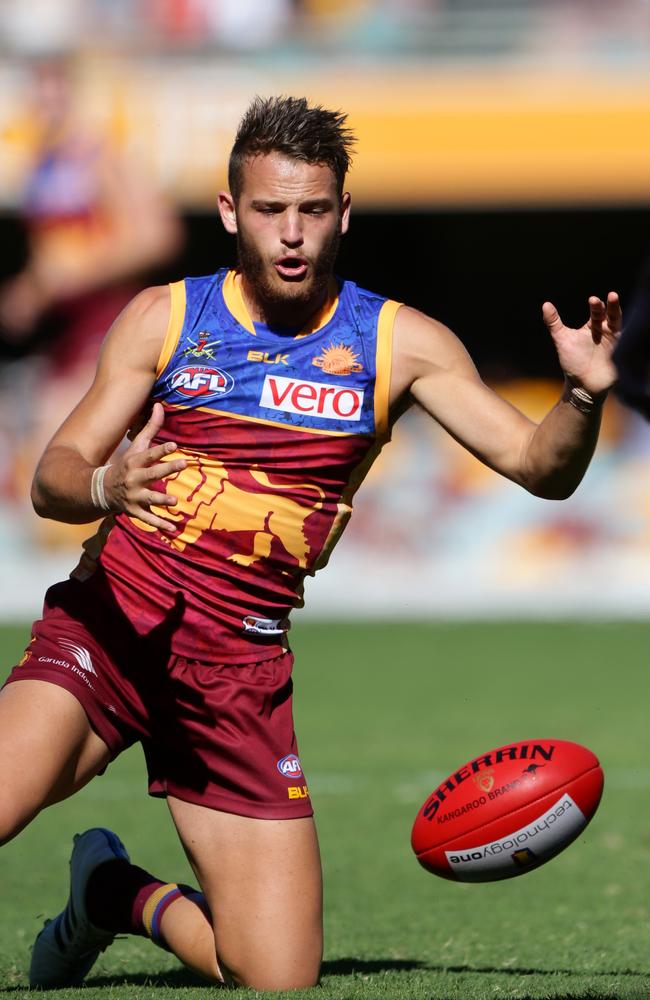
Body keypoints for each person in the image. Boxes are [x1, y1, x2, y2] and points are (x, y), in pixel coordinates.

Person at [0, 96, 620, 992]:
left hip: (238, 679)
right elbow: (53, 472)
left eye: (313, 211)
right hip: (113, 631)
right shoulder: (164, 319)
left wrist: (584, 397)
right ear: (230, 212)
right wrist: (106, 486)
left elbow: (539, 467)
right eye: (269, 210)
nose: (292, 234)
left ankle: (112, 892)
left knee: (275, 977)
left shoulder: (399, 344)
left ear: (343, 213)